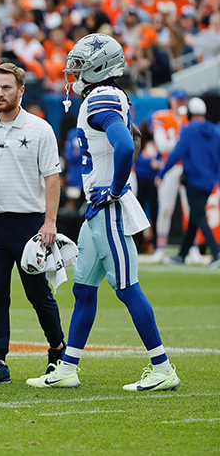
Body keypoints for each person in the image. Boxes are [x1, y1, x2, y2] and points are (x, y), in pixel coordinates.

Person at [28, 33, 181, 391]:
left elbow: (127, 145)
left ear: (100, 66)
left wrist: (114, 188)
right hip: (96, 210)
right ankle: (68, 368)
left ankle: (162, 368)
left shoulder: (100, 97)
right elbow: (132, 138)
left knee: (128, 288)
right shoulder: (107, 96)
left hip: (107, 206)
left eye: (81, 64)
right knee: (83, 290)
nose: (74, 70)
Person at [0, 62, 66, 385]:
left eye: (6, 87)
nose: (0, 93)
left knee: (38, 295)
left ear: (21, 90)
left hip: (29, 224)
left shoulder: (39, 128)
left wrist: (50, 221)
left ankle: (57, 350)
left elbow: (53, 177)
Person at [156, 97, 220, 268]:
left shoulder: (188, 129)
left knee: (198, 215)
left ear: (190, 113)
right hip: (210, 181)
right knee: (194, 216)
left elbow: (176, 153)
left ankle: (216, 251)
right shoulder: (215, 131)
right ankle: (182, 255)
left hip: (193, 179)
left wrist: (162, 173)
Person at [149, 87, 188, 263]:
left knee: (190, 209)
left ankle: (192, 248)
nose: (180, 102)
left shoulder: (189, 117)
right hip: (169, 166)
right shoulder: (161, 116)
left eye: (182, 99)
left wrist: (179, 144)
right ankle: (161, 248)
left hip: (187, 166)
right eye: (177, 98)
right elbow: (162, 145)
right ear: (171, 99)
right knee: (165, 208)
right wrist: (183, 144)